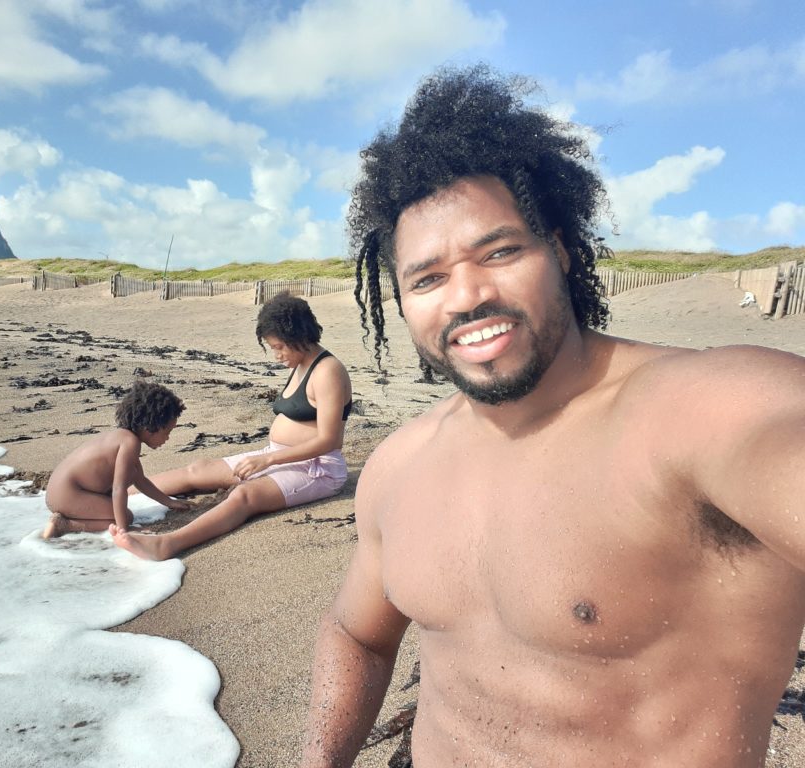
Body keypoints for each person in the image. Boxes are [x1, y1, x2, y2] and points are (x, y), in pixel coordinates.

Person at [299, 64, 805, 768]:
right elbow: (356, 634)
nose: (468, 295)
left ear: (562, 251)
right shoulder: (399, 465)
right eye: (428, 278)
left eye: (500, 251)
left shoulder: (700, 410)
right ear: (402, 301)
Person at [112, 292, 353, 560]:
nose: (276, 356)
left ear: (299, 335)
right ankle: (116, 493)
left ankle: (166, 544)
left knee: (244, 496)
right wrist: (269, 457)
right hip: (280, 455)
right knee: (198, 470)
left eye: (279, 347)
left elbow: (330, 441)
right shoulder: (299, 364)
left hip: (317, 469)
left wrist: (268, 460)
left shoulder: (328, 371)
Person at [41, 379, 190, 539]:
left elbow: (140, 480)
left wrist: (169, 502)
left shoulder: (122, 437)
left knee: (122, 505)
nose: (167, 438)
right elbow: (119, 489)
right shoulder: (130, 443)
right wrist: (124, 529)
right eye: (167, 432)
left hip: (58, 491)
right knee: (125, 517)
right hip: (68, 494)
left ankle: (69, 518)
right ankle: (65, 525)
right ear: (150, 426)